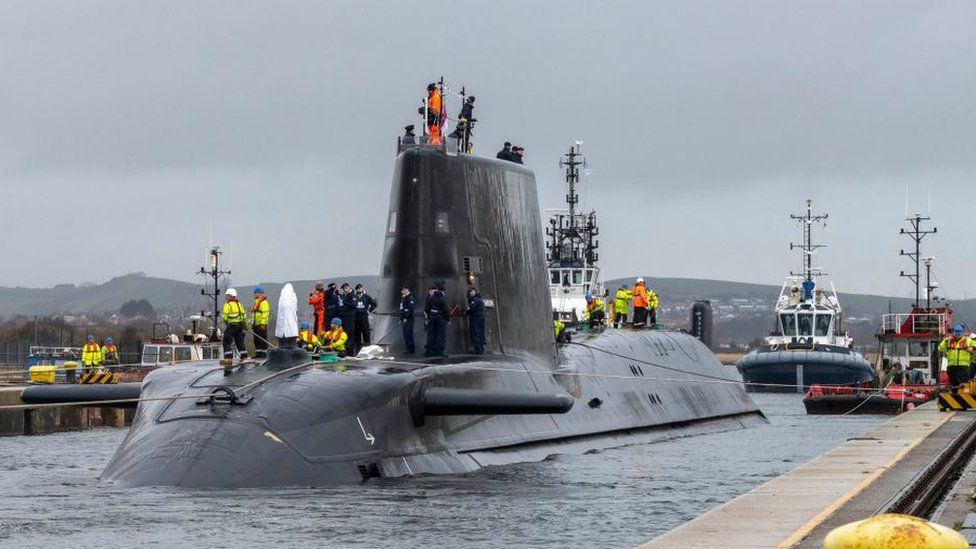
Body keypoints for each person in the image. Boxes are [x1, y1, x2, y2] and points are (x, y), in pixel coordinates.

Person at [938, 325, 975, 389]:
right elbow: (940, 349)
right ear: (953, 333)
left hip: (963, 367)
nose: (957, 335)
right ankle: (953, 396)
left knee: (964, 386)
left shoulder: (968, 340)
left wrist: (968, 348)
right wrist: (945, 341)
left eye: (959, 333)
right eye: (956, 333)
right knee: (953, 385)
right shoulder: (948, 341)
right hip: (952, 367)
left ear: (962, 333)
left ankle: (965, 397)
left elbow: (972, 349)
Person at [221, 288, 248, 360]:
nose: (226, 297)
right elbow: (244, 317)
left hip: (232, 325)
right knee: (240, 342)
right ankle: (244, 355)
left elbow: (224, 317)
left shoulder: (227, 305)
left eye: (227, 295)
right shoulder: (240, 305)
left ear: (230, 296)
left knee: (226, 340)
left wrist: (228, 323)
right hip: (240, 326)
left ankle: (228, 357)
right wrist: (245, 326)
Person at [352, 283, 378, 354]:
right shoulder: (353, 297)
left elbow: (374, 304)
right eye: (358, 289)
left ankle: (367, 350)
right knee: (357, 335)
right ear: (356, 290)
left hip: (364, 317)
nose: (359, 290)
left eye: (361, 288)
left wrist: (369, 310)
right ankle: (357, 351)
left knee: (366, 333)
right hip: (356, 318)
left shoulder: (366, 297)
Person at [425, 284, 449, 357]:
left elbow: (427, 309)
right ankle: (439, 351)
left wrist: (429, 316)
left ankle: (429, 351)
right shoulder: (442, 299)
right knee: (440, 335)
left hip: (432, 318)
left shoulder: (431, 299)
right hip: (440, 319)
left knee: (431, 335)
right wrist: (447, 319)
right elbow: (446, 310)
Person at [251, 286, 271, 358]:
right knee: (257, 340)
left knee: (263, 339)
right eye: (254, 293)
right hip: (256, 324)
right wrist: (252, 323)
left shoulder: (264, 302)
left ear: (260, 293)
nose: (255, 294)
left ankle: (264, 354)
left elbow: (265, 314)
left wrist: (263, 323)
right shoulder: (256, 302)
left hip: (261, 324)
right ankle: (258, 353)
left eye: (256, 293)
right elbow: (254, 314)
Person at [464, 287, 486, 354]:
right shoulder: (480, 299)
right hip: (481, 317)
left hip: (476, 318)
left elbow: (472, 308)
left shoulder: (474, 300)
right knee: (481, 332)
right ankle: (481, 348)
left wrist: (466, 312)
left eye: (471, 291)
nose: (470, 293)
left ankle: (478, 349)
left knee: (476, 332)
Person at [338, 283, 356, 352]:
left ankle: (350, 350)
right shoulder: (343, 296)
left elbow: (354, 305)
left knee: (350, 333)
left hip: (349, 317)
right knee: (344, 333)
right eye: (343, 289)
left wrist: (345, 302)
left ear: (348, 288)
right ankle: (345, 348)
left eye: (346, 288)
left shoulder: (352, 295)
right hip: (343, 317)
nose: (345, 290)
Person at [399, 286, 416, 354]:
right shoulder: (404, 298)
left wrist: (406, 317)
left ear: (406, 290)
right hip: (404, 318)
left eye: (403, 290)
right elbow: (402, 309)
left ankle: (411, 349)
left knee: (409, 334)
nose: (402, 292)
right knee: (405, 334)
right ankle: (407, 349)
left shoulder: (410, 298)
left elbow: (411, 309)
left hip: (409, 319)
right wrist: (401, 318)